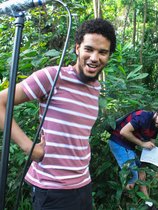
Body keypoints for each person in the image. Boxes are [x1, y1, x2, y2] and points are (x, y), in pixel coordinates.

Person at [0, 18, 116, 210]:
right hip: (52, 189)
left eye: (102, 52)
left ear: (109, 56)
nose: (95, 58)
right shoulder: (53, 77)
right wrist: (29, 147)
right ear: (77, 48)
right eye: (89, 49)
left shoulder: (95, 88)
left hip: (83, 185)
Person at [108, 107, 158, 209]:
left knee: (142, 172)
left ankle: (148, 203)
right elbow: (124, 132)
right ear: (156, 113)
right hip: (118, 142)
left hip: (129, 147)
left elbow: (151, 144)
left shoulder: (156, 128)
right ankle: (129, 205)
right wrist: (142, 143)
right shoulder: (143, 117)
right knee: (132, 176)